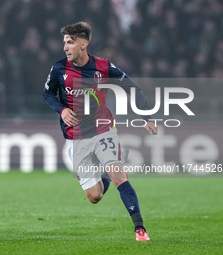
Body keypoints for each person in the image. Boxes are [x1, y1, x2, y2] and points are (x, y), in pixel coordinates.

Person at [43, 21, 158, 241]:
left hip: (103, 130)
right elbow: (47, 94)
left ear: (83, 44)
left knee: (119, 177)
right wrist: (62, 109)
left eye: (70, 42)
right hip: (75, 138)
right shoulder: (58, 68)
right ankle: (104, 177)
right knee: (94, 196)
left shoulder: (103, 66)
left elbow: (131, 87)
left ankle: (140, 229)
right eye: (64, 43)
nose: (65, 47)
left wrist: (146, 117)